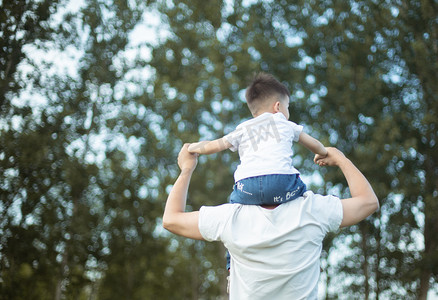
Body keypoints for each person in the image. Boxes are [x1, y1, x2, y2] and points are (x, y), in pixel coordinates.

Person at [163, 144, 379, 299]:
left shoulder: (231, 218)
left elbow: (171, 219)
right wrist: (341, 159)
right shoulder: (312, 210)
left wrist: (187, 169)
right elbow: (368, 202)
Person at [188, 73, 328, 270]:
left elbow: (213, 146)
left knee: (234, 213)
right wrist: (323, 154)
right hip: (281, 183)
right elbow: (314, 144)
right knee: (304, 195)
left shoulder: (242, 129)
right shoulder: (285, 123)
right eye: (287, 108)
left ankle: (231, 265)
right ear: (278, 107)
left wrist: (192, 148)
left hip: (247, 187)